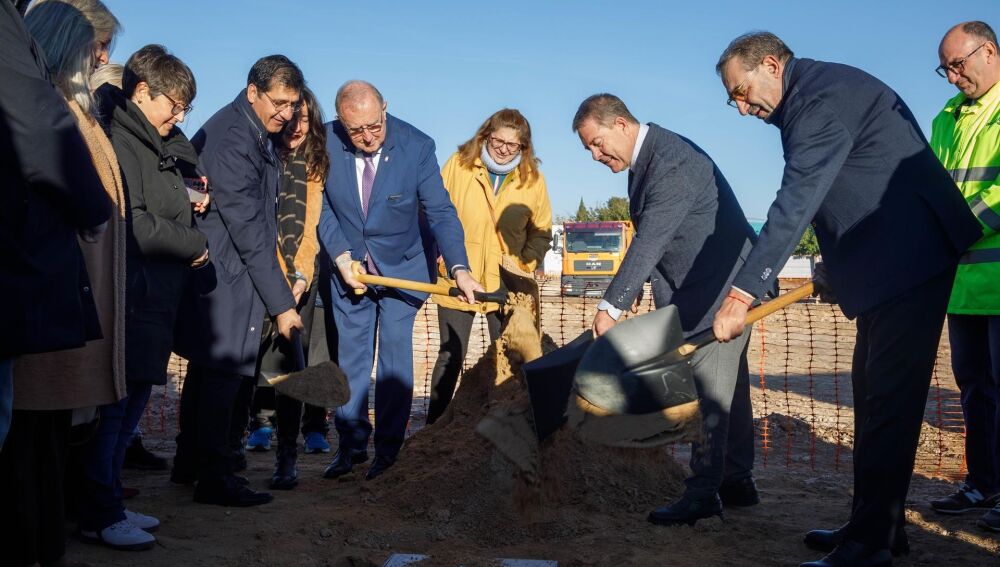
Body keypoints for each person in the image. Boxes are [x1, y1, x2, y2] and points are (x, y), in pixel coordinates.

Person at [713, 32, 982, 567]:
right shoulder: (813, 95)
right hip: (890, 265)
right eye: (733, 101)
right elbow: (846, 191)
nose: (743, 109)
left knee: (889, 405)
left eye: (742, 92)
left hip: (912, 262)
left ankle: (872, 544)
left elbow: (797, 198)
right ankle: (875, 525)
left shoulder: (819, 98)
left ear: (771, 64)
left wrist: (741, 293)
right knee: (872, 396)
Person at [573, 94, 760, 526]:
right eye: (589, 150)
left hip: (719, 292)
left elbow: (651, 237)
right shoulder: (646, 164)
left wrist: (611, 306)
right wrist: (639, 286)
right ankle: (736, 480)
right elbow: (661, 236)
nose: (596, 155)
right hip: (698, 288)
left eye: (598, 143)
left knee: (709, 390)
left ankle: (703, 494)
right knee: (732, 389)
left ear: (620, 123)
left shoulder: (672, 161)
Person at [1, 0, 121, 563]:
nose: (101, 59)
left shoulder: (75, 107)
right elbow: (71, 185)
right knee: (29, 447)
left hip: (60, 301)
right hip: (41, 298)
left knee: (46, 445)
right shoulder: (46, 108)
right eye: (96, 48)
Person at [318, 80, 483, 481]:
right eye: (356, 130)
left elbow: (441, 211)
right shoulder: (321, 143)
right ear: (341, 123)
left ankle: (388, 451)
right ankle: (351, 444)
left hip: (404, 268)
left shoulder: (417, 146)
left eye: (375, 126)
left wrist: (459, 267)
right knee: (351, 362)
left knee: (394, 358)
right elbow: (318, 206)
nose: (368, 137)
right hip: (349, 268)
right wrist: (341, 258)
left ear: (385, 109)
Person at [79, 43, 206, 551]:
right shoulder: (120, 140)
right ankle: (98, 512)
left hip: (153, 297)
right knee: (112, 413)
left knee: (129, 411)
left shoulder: (156, 144)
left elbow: (164, 204)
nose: (178, 116)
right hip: (130, 295)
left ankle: (109, 498)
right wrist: (195, 242)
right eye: (172, 104)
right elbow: (133, 222)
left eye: (184, 108)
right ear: (140, 91)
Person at [172, 55, 305, 507]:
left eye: (293, 105)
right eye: (280, 102)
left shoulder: (251, 130)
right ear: (253, 91)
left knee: (209, 374)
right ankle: (214, 477)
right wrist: (283, 306)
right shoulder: (234, 139)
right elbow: (249, 230)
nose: (286, 114)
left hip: (225, 271)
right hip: (227, 274)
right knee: (223, 377)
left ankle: (189, 463)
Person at [427, 108, 552, 425]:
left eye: (514, 145)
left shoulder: (533, 180)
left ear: (524, 146)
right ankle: (434, 425)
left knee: (509, 359)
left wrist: (523, 264)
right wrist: (440, 252)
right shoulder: (459, 165)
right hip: (457, 277)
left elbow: (541, 231)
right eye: (498, 140)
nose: (504, 149)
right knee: (450, 355)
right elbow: (434, 211)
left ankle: (509, 426)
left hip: (506, 285)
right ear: (485, 135)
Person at [928, 21, 1000, 533]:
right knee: (974, 388)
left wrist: (953, 228)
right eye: (945, 68)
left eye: (959, 64)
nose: (953, 77)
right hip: (962, 287)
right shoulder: (945, 120)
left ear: (989, 51)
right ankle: (984, 483)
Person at [242, 85, 332, 490]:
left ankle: (287, 456)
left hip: (299, 279)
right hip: (257, 272)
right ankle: (241, 436)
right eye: (293, 118)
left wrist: (299, 276)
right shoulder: (262, 155)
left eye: (306, 120)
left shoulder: (316, 166)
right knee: (248, 361)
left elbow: (311, 227)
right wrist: (273, 274)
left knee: (293, 364)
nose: (298, 128)